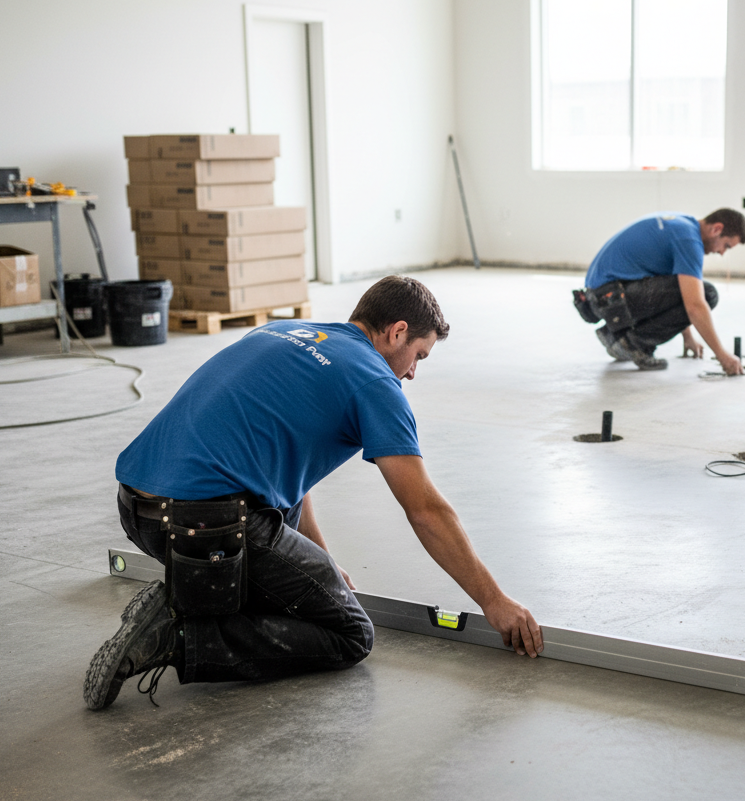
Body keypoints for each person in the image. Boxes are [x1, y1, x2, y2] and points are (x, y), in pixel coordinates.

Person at [84, 275, 543, 711]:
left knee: (294, 587)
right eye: (419, 355)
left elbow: (290, 481)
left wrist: (321, 562)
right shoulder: (375, 383)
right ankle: (176, 634)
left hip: (138, 508)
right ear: (397, 332)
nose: (413, 373)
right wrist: (493, 601)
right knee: (349, 633)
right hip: (205, 526)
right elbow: (425, 510)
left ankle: (182, 603)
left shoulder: (282, 331)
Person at [573, 208, 745, 375]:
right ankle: (631, 343)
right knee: (709, 294)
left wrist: (688, 336)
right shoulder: (689, 241)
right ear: (717, 229)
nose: (722, 253)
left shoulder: (682, 225)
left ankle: (615, 335)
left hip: (600, 297)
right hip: (610, 297)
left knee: (696, 291)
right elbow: (694, 305)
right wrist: (722, 356)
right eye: (726, 246)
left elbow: (676, 289)